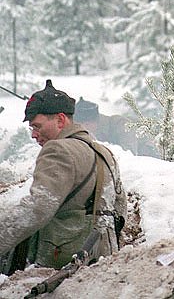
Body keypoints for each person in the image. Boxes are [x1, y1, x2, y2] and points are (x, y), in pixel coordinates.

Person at [0, 80, 127, 271]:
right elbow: (120, 209)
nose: (34, 135)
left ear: (60, 120)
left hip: (62, 266)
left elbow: (38, 207)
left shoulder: (57, 149)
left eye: (37, 126)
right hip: (103, 262)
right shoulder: (104, 152)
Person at [74, 97, 157, 157]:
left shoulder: (120, 124)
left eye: (81, 125)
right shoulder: (91, 132)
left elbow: (129, 155)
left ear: (89, 123)